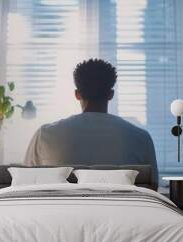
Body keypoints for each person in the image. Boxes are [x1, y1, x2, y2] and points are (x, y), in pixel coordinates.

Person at [24, 59, 158, 185]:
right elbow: (153, 185)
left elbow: (25, 183)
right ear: (111, 94)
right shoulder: (141, 137)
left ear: (77, 94)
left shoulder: (45, 135)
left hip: (55, 208)